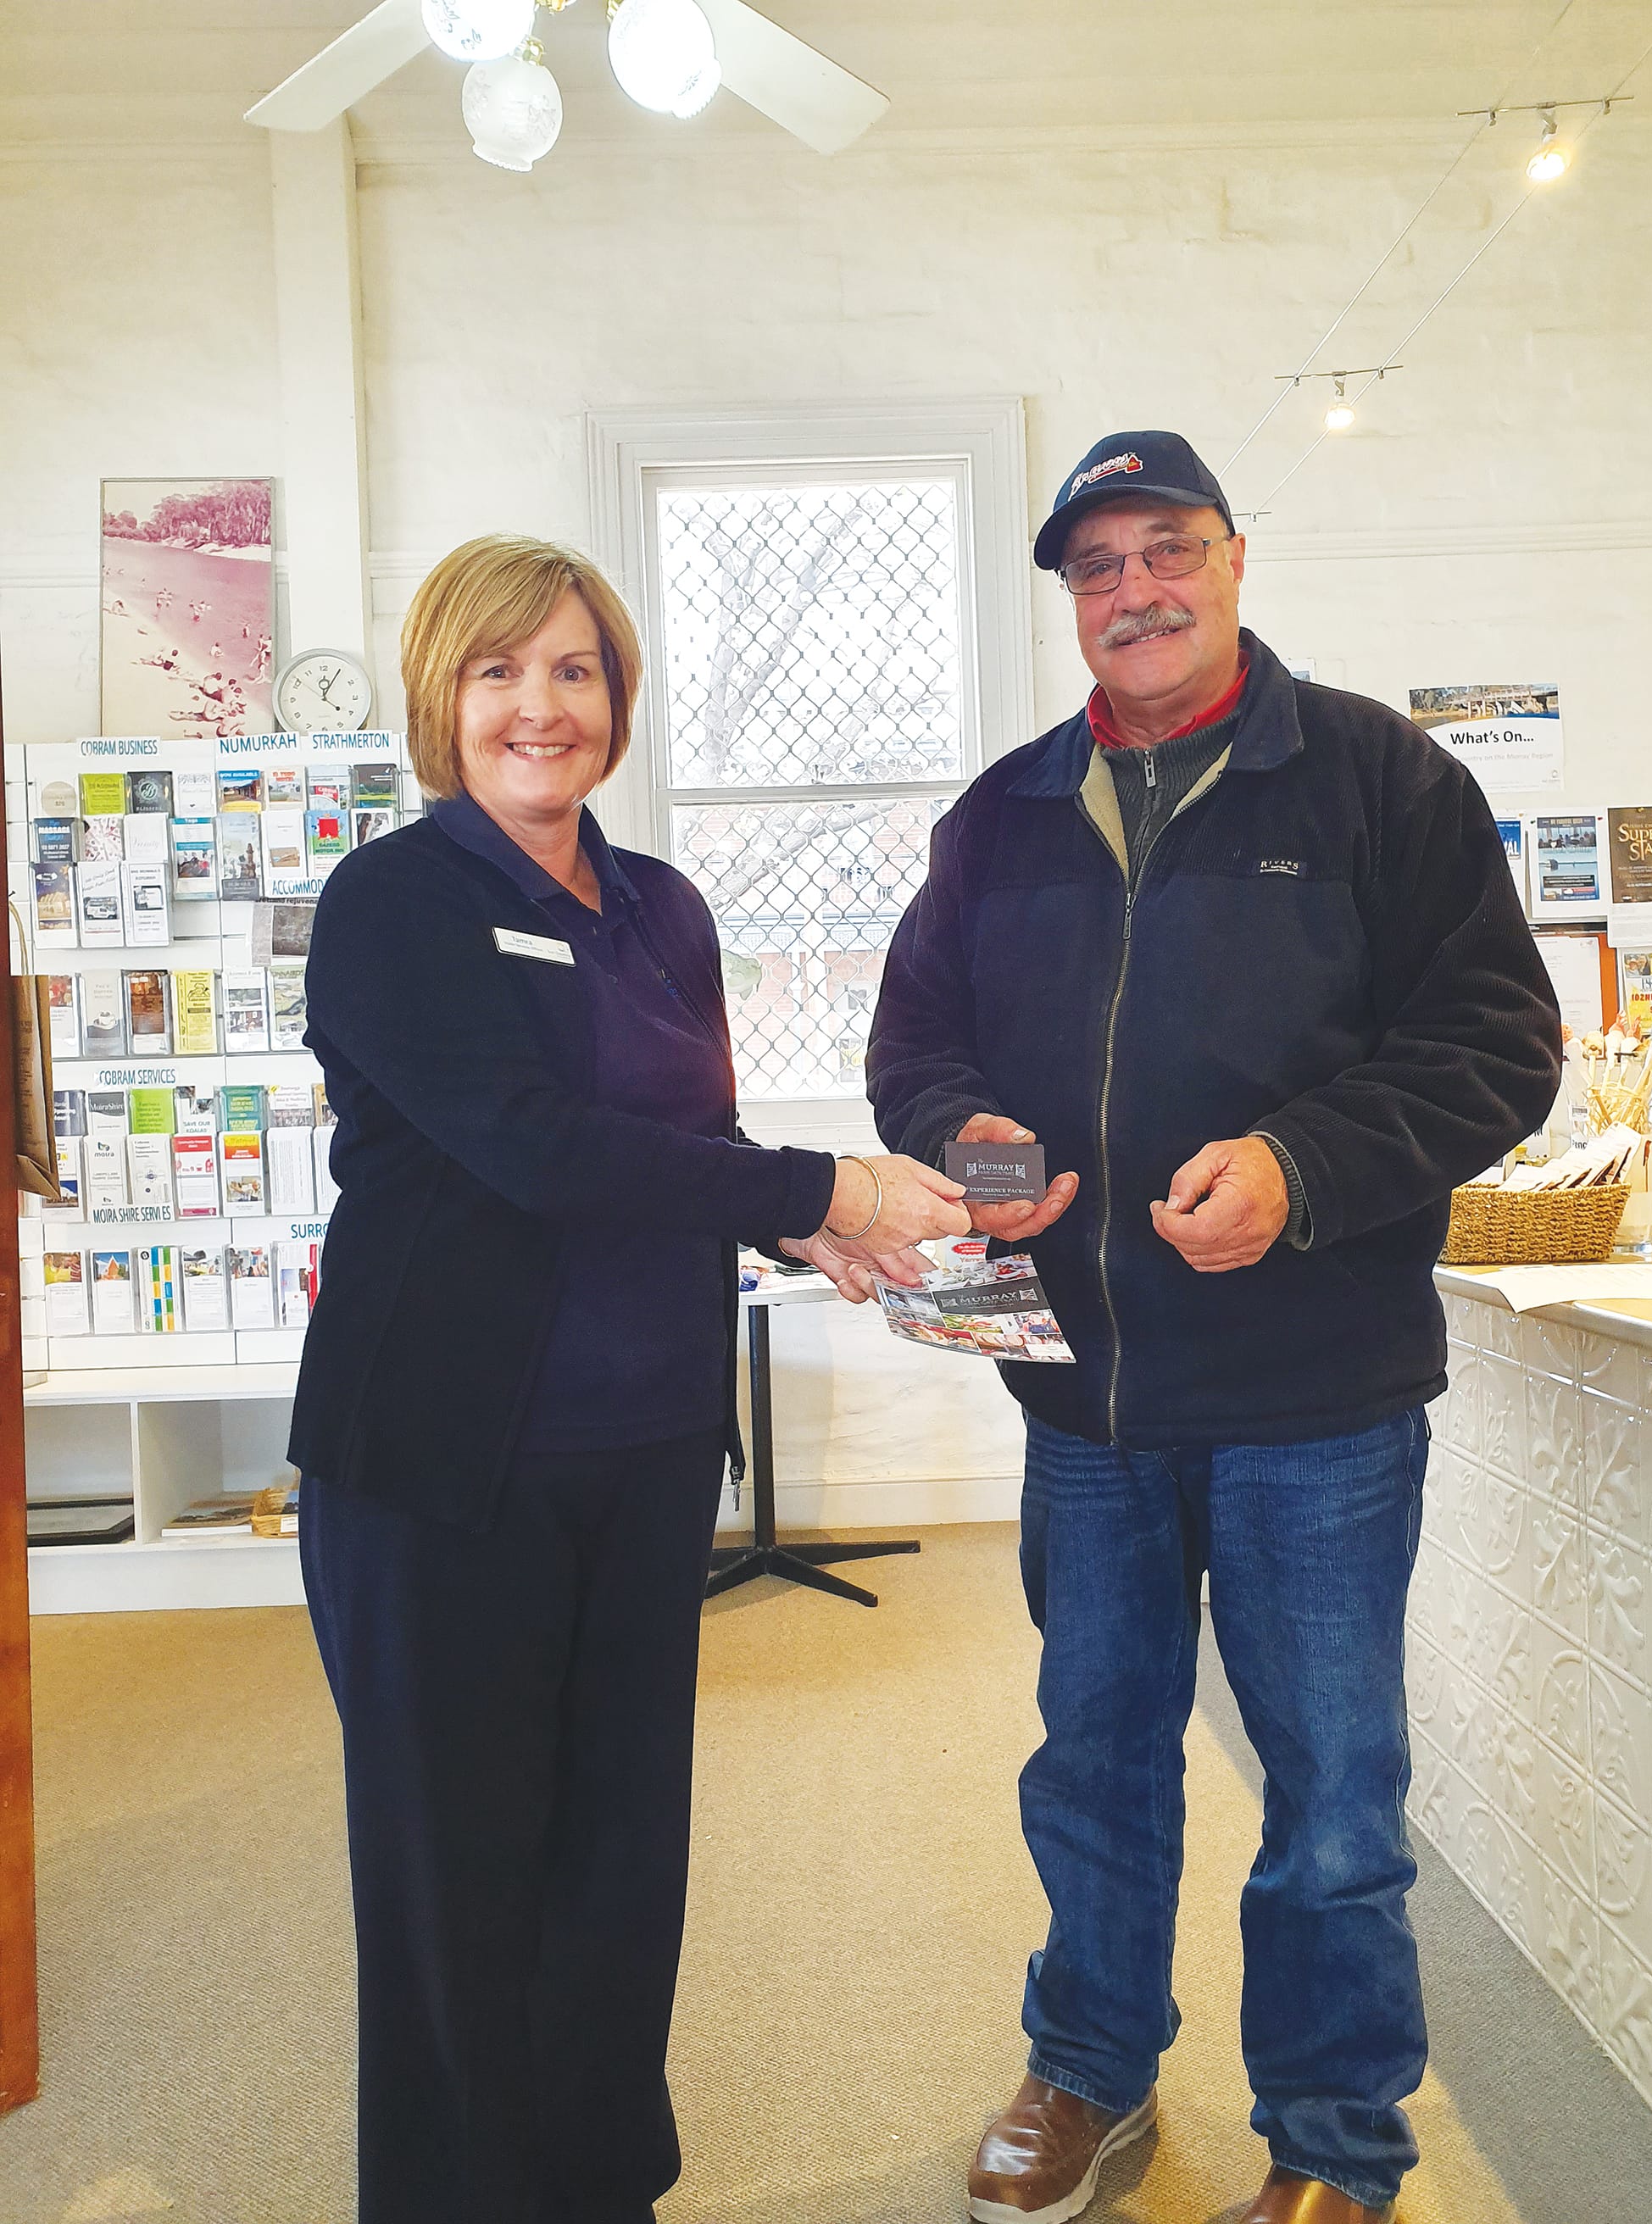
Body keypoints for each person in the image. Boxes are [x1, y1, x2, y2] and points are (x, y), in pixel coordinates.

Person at [867, 431, 1562, 2224]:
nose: (1134, 591)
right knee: (1089, 1759)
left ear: (1234, 560)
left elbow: (1497, 1043)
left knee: (1330, 1798)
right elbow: (913, 1047)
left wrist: (1298, 1162)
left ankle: (1334, 2142)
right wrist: (966, 1137)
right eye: (1096, 566)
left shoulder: (1378, 784)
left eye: (1165, 549)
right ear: (1070, 599)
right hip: (1077, 1399)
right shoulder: (1000, 813)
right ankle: (1090, 2071)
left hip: (1313, 1406)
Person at [290, 533, 969, 2224]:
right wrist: (812, 1189)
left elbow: (690, 1146)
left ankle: (601, 2187)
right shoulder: (393, 902)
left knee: (616, 1863)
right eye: (498, 669)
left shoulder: (666, 905)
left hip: (649, 1445)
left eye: (576, 669)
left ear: (621, 697)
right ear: (440, 698)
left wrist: (834, 1231)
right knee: (459, 1880)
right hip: (445, 1463)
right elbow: (529, 1147)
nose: (540, 705)